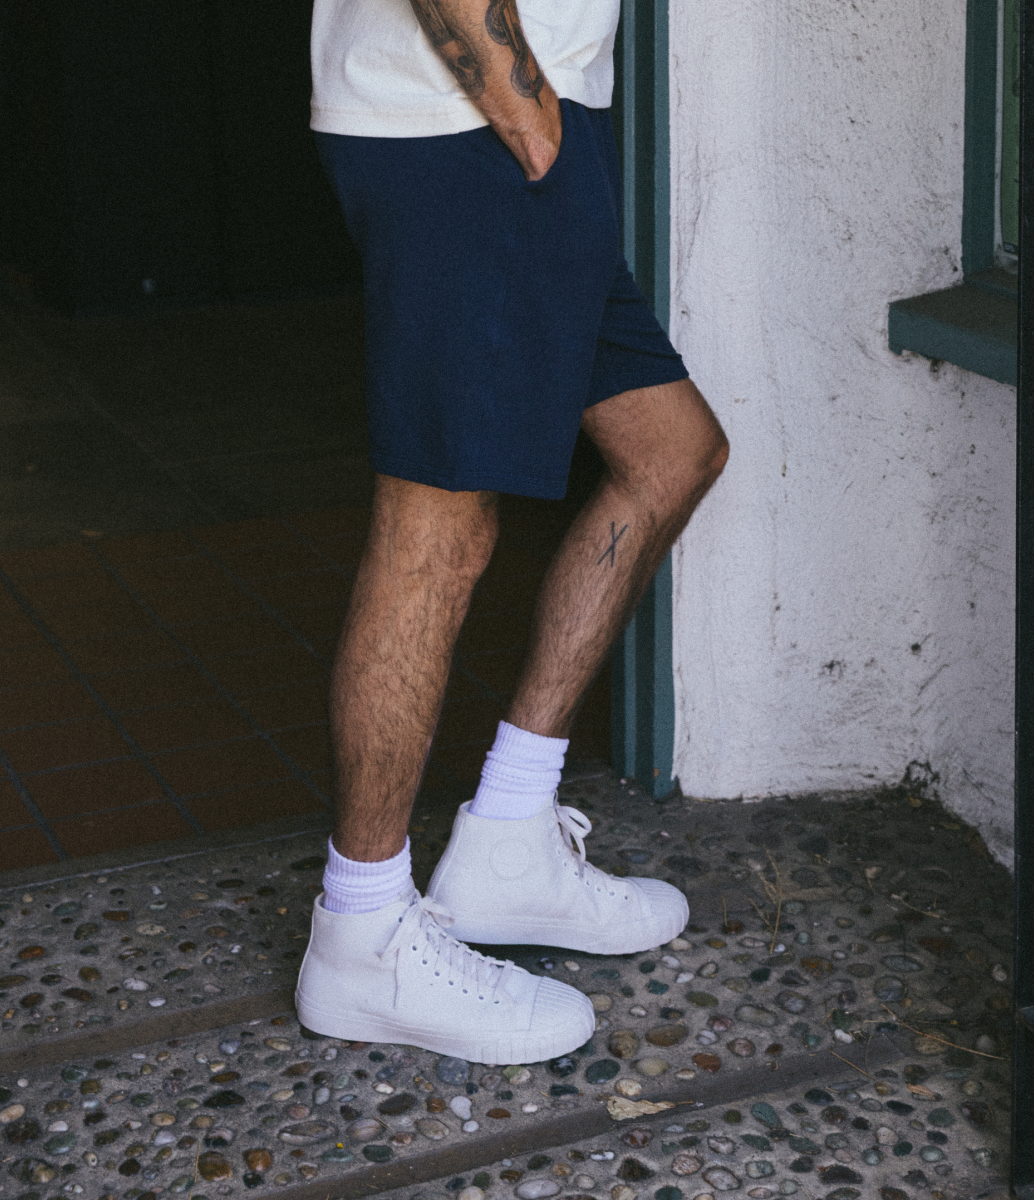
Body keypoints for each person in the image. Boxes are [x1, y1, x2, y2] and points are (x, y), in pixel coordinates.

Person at [295, 0, 729, 1064]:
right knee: (437, 526)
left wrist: (550, 128)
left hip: (520, 127)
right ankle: (358, 937)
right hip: (465, 130)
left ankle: (508, 840)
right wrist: (529, 118)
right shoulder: (496, 128)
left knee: (669, 450)